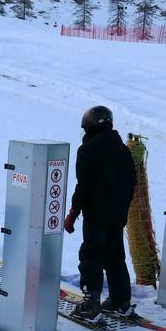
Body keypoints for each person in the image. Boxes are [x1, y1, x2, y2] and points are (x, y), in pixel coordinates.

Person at [63, 105, 137, 320]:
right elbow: (131, 184)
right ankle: (120, 301)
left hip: (96, 214)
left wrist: (74, 211)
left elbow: (84, 185)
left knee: (91, 255)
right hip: (118, 214)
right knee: (115, 256)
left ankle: (91, 304)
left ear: (89, 127)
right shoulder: (123, 150)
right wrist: (122, 211)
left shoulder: (88, 150)